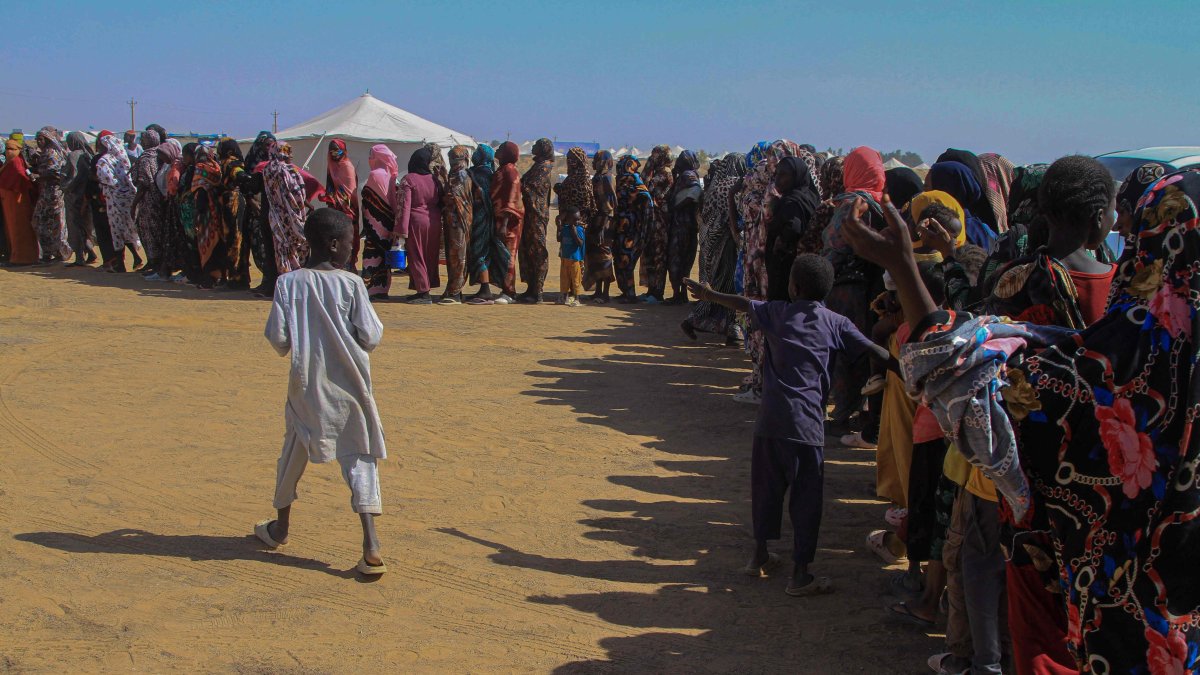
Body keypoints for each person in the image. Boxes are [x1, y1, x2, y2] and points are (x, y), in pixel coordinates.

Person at [841, 166, 1200, 673]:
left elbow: (976, 377)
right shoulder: (1149, 342)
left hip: (1121, 611)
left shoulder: (1134, 364)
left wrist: (904, 265)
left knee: (986, 573)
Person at [685, 255, 886, 597]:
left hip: (770, 422)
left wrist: (708, 295)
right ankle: (800, 574)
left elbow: (744, 303)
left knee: (766, 491)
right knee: (806, 499)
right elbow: (873, 352)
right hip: (807, 426)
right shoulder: (836, 322)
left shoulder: (777, 312)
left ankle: (759, 556)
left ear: (793, 287)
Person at [258, 207, 387, 576]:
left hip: (306, 388)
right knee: (360, 458)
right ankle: (371, 542)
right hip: (351, 390)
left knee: (292, 453)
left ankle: (280, 527)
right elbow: (371, 336)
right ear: (334, 245)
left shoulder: (288, 283)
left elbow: (279, 339)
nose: (352, 250)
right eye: (350, 243)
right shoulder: (352, 284)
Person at [985, 156, 1117, 329]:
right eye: (1112, 213)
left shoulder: (1010, 278)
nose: (1114, 222)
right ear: (1099, 217)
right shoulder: (1115, 284)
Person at [681, 153, 747, 342]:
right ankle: (733, 330)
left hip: (711, 243)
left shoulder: (714, 186)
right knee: (731, 288)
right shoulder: (735, 186)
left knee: (717, 287)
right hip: (730, 247)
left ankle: (694, 320)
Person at [395, 146, 442, 304]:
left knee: (417, 256)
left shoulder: (408, 179)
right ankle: (426, 286)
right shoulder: (434, 179)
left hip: (415, 222)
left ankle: (423, 292)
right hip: (434, 221)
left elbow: (404, 205)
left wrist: (401, 230)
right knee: (429, 255)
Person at [261, 140, 310, 286]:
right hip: (291, 216)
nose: (292, 155)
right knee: (297, 245)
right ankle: (295, 282)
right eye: (289, 152)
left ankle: (284, 280)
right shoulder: (288, 171)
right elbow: (297, 195)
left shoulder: (267, 169)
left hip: (275, 216)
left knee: (281, 248)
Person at [553, 147, 598, 299]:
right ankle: (569, 288)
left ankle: (575, 291)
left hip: (579, 222)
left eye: (573, 159)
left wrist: (570, 215)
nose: (569, 162)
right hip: (567, 222)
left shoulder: (583, 179)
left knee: (577, 259)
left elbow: (584, 203)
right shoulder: (572, 177)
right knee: (567, 256)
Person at [96, 133, 144, 272]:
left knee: (117, 231)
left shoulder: (104, 160)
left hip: (114, 200)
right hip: (129, 198)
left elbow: (106, 179)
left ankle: (120, 266)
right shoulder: (123, 157)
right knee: (129, 228)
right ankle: (136, 257)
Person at [359, 144, 399, 301]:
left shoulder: (375, 174)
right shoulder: (389, 176)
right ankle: (382, 288)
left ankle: (372, 288)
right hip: (387, 222)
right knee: (383, 255)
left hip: (375, 222)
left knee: (372, 254)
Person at [518, 138, 554, 303]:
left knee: (538, 250)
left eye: (536, 145)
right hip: (530, 213)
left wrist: (519, 185)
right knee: (529, 249)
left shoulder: (544, 166)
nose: (532, 147)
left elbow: (532, 187)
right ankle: (531, 288)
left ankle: (538, 290)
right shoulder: (538, 165)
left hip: (537, 214)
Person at [613, 155, 653, 303]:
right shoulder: (619, 179)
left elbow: (646, 198)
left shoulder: (635, 179)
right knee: (618, 258)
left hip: (631, 227)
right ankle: (624, 291)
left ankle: (630, 294)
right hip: (619, 226)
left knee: (626, 260)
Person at [665, 150, 703, 304]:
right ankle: (680, 294)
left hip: (683, 225)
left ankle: (678, 295)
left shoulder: (688, 175)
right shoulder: (687, 175)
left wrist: (677, 205)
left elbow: (695, 192)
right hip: (687, 225)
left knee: (677, 259)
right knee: (683, 259)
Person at [441, 145, 476, 304]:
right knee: (453, 255)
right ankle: (453, 288)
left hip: (460, 221)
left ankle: (455, 291)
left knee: (458, 255)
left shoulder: (462, 175)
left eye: (455, 159)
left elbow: (453, 196)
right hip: (453, 221)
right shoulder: (454, 174)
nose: (453, 162)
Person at [490, 141, 524, 304]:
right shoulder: (502, 170)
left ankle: (509, 291)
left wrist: (503, 224)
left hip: (508, 223)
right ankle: (505, 288)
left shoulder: (511, 172)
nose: (498, 150)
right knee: (501, 255)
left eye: (501, 148)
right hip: (499, 220)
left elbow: (511, 200)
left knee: (508, 256)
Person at [466, 144, 500, 304]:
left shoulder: (478, 173)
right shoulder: (491, 173)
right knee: (483, 252)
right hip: (488, 218)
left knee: (479, 252)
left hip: (479, 217)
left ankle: (485, 290)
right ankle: (483, 288)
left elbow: (484, 196)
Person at [319, 140, 360, 272]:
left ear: (343, 150)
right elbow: (330, 187)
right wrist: (329, 198)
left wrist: (335, 199)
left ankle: (349, 266)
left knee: (347, 238)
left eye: (337, 149)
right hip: (335, 210)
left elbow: (350, 192)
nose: (334, 153)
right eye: (331, 150)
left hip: (348, 210)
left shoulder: (347, 166)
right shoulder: (331, 166)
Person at [639, 145, 673, 302]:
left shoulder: (665, 173)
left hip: (660, 221)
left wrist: (649, 165)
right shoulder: (660, 172)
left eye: (655, 156)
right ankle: (651, 290)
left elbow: (645, 185)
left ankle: (657, 292)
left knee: (658, 255)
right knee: (651, 254)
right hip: (653, 220)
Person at [31, 126, 69, 263]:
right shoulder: (45, 153)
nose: (38, 142)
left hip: (53, 193)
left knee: (53, 223)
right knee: (41, 222)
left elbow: (55, 174)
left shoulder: (52, 153)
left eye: (40, 139)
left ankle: (58, 253)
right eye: (37, 139)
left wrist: (38, 176)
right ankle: (49, 253)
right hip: (46, 192)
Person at [216, 139, 250, 289]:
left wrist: (243, 179)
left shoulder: (231, 163)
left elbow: (239, 174)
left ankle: (236, 278)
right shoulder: (227, 162)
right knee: (233, 239)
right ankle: (236, 276)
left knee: (234, 238)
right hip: (229, 202)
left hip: (233, 203)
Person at [582, 149, 614, 303]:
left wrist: (605, 224)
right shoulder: (597, 177)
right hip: (595, 221)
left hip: (604, 223)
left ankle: (605, 293)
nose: (594, 163)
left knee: (604, 256)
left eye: (597, 160)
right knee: (595, 257)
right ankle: (598, 291)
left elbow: (612, 203)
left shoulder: (607, 178)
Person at [0, 137, 38, 265]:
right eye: (7, 149)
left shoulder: (16, 162)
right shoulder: (9, 163)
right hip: (10, 202)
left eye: (12, 149)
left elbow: (21, 177)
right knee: (12, 229)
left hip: (17, 201)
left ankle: (21, 258)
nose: (9, 152)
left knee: (19, 228)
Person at [130, 130, 163, 274]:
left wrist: (134, 204)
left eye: (142, 140)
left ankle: (153, 262)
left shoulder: (145, 158)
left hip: (148, 200)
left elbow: (143, 183)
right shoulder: (160, 154)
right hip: (160, 197)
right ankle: (154, 262)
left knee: (148, 230)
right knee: (157, 229)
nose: (141, 142)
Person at [61, 131, 96, 266]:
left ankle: (79, 258)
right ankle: (90, 252)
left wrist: (64, 186)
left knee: (75, 226)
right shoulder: (88, 155)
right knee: (85, 225)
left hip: (74, 196)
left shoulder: (73, 156)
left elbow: (72, 177)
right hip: (86, 196)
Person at [557, 204, 586, 307]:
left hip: (575, 259)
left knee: (576, 279)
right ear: (568, 219)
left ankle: (577, 298)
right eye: (574, 220)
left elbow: (580, 243)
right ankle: (564, 297)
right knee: (564, 278)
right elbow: (559, 239)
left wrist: (574, 233)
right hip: (565, 258)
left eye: (578, 220)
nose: (576, 222)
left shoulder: (579, 229)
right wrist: (559, 227)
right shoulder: (565, 229)